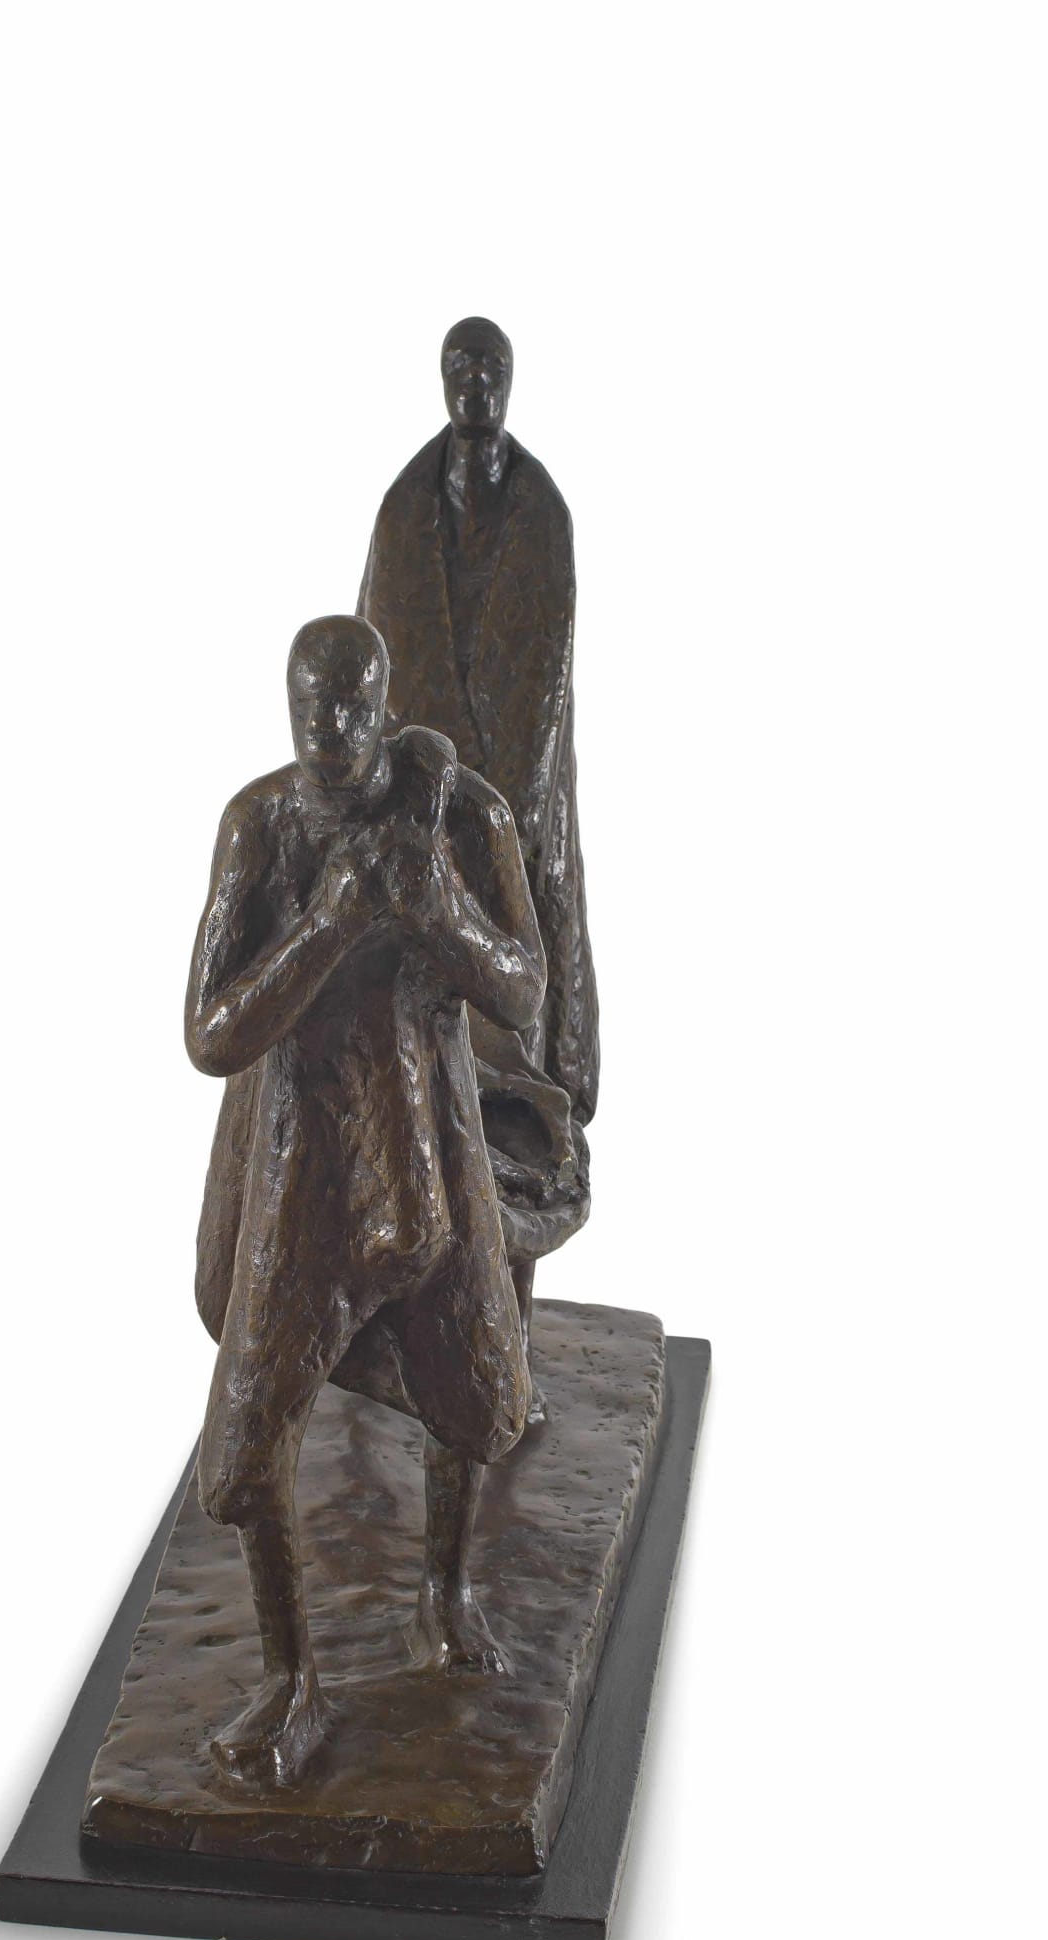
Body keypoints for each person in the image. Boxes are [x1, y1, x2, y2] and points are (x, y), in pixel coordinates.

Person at [187, 614, 546, 1786]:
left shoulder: (460, 816)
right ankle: (288, 1674)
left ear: (385, 710)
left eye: (350, 713)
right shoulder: (263, 826)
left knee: (476, 1397)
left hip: (430, 1135)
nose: (330, 735)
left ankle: (442, 1591)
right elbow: (211, 1033)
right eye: (311, 716)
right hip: (306, 1151)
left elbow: (522, 993)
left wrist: (438, 910)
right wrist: (329, 923)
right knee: (249, 1442)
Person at [359, 316, 599, 1414]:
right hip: (421, 828)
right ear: (442, 382)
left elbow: (539, 688)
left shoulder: (539, 516)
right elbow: (376, 656)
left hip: (511, 827)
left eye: (489, 371)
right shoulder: (403, 511)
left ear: (507, 385)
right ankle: (400, 1330)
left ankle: (508, 1329)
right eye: (459, 369)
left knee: (518, 1062)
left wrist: (495, 820)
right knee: (406, 1065)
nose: (474, 387)